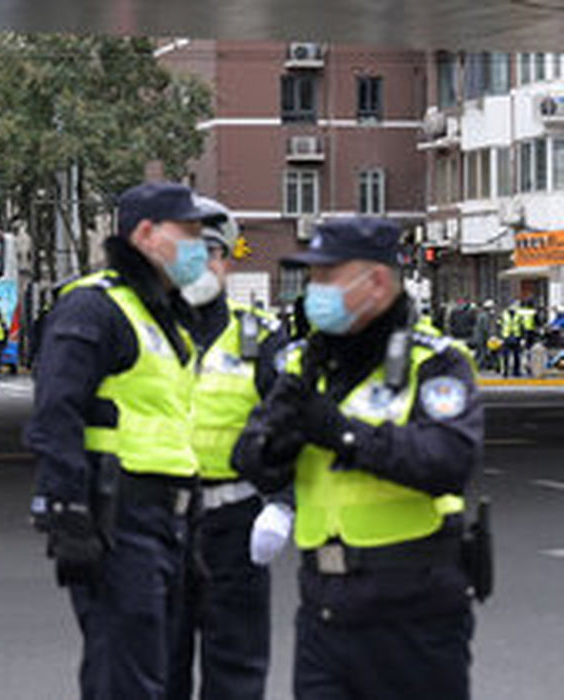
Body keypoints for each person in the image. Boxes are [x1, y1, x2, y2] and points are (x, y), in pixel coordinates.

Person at [232, 217, 483, 699]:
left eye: (328, 277)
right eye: (313, 279)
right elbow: (251, 456)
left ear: (378, 282)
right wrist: (278, 443)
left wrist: (343, 434)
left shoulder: (434, 362)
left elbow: (449, 461)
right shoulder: (311, 363)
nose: (315, 291)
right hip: (325, 609)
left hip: (414, 609)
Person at [25, 182, 213, 699]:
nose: (200, 246)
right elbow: (55, 412)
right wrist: (69, 512)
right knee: (126, 678)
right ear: (147, 234)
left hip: (170, 521)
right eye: (190, 233)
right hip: (118, 519)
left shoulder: (165, 315)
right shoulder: (94, 307)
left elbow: (173, 426)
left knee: (164, 673)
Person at [170, 199, 286, 700]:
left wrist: (283, 504)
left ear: (227, 260)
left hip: (235, 523)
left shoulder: (258, 336)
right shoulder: (138, 331)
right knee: (156, 668)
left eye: (210, 252)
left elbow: (291, 421)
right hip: (157, 521)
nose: (200, 265)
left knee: (236, 673)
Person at [500, 302, 525, 377]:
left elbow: (522, 326)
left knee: (516, 355)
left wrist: (522, 338)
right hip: (506, 337)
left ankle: (516, 371)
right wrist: (499, 337)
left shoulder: (519, 315)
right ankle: (505, 371)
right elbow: (499, 325)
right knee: (505, 356)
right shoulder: (503, 315)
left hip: (516, 337)